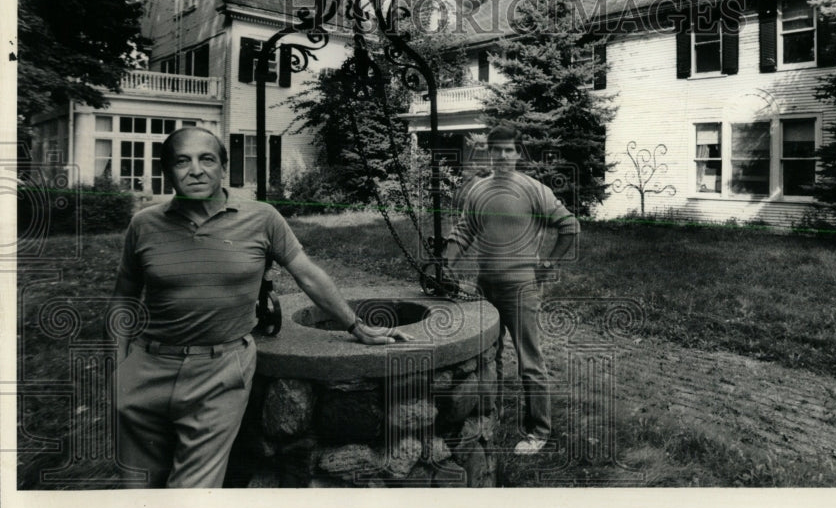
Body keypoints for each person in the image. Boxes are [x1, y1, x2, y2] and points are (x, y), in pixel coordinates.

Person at [107, 126, 408, 488]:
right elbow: (124, 295)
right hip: (146, 368)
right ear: (166, 171)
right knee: (136, 488)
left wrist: (356, 326)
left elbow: (307, 275)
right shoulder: (144, 225)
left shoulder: (262, 218)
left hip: (219, 370)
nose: (196, 170)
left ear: (223, 167)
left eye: (207, 159)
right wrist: (118, 361)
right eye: (181, 161)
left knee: (192, 493)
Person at [442, 126, 580, 456]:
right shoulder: (478, 190)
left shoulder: (534, 190)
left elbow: (570, 227)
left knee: (529, 362)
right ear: (488, 152)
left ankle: (538, 431)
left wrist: (548, 264)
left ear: (519, 153)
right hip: (484, 286)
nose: (503, 156)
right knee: (490, 358)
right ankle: (492, 416)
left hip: (522, 291)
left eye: (509, 150)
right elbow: (463, 232)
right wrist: (446, 264)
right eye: (497, 150)